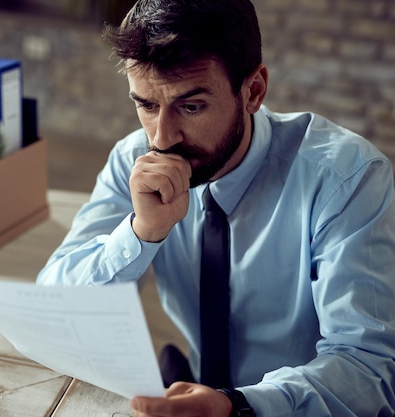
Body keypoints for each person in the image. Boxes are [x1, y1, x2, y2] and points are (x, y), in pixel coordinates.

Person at [37, 0, 395, 416]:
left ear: (254, 91)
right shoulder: (133, 160)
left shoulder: (347, 178)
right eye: (147, 106)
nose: (163, 137)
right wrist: (140, 233)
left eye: (191, 107)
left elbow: (369, 368)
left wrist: (238, 406)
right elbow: (55, 309)